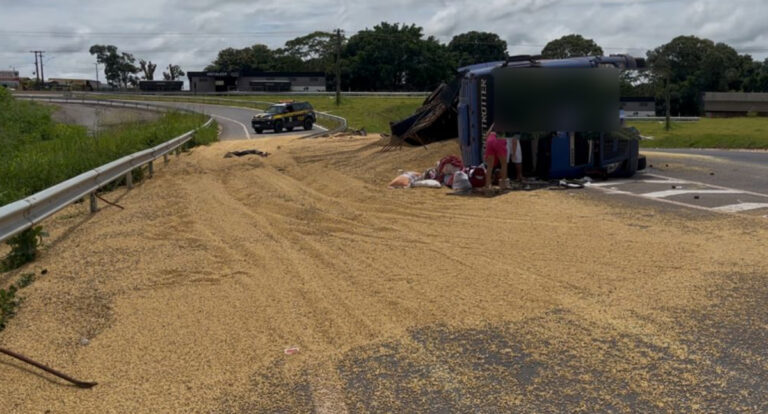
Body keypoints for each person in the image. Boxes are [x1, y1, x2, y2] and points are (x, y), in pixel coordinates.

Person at [483, 124, 508, 190]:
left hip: (490, 138)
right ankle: (503, 184)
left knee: (489, 166)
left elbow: (486, 135)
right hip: (500, 137)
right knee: (504, 164)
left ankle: (488, 185)